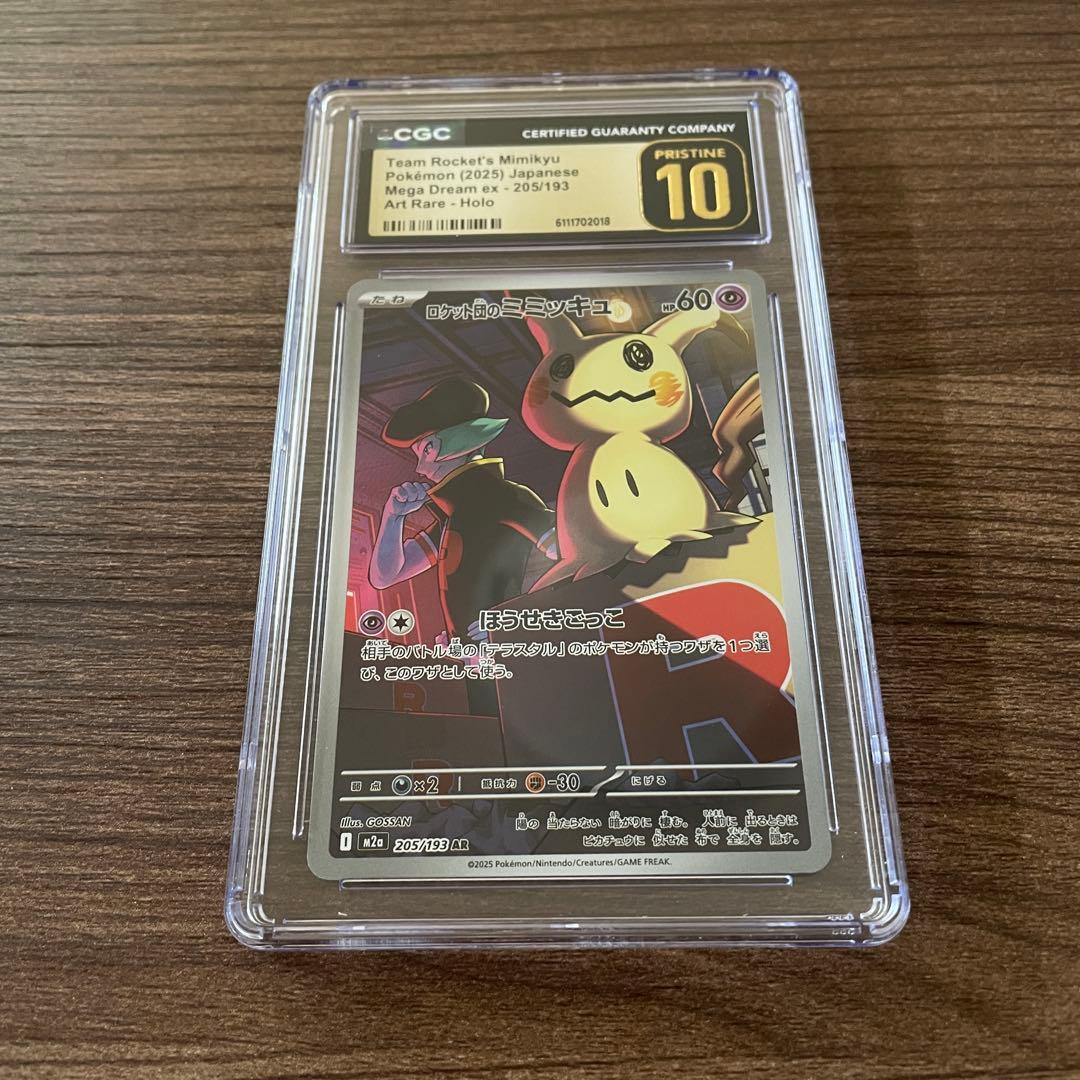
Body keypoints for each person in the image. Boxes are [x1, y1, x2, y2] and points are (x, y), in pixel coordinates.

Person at [370, 377, 556, 670]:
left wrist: (515, 621)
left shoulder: (506, 497)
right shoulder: (454, 517)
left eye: (426, 450)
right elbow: (385, 577)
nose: (420, 467)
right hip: (477, 666)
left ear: (457, 442)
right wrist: (393, 517)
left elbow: (578, 557)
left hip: (519, 665)